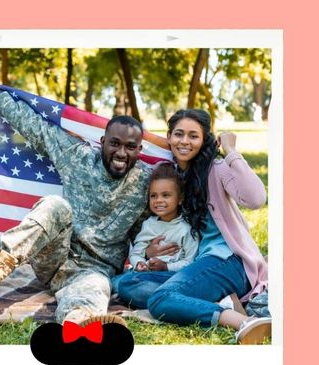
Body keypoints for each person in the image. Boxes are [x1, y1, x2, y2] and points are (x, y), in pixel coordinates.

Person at [0, 75, 176, 325]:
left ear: (140, 151)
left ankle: (79, 321)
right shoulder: (78, 157)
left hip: (95, 269)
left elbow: (147, 229)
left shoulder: (147, 184)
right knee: (55, 205)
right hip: (53, 256)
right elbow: (36, 127)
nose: (121, 153)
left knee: (93, 290)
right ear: (102, 143)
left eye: (130, 147)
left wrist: (147, 252)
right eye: (114, 144)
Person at [114, 109, 271, 344]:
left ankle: (242, 321)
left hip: (227, 261)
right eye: (179, 134)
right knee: (126, 284)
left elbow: (256, 199)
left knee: (160, 300)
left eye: (193, 136)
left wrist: (231, 151)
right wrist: (148, 253)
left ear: (204, 139)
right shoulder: (170, 175)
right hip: (193, 263)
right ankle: (221, 301)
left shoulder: (215, 169)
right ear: (169, 137)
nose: (185, 141)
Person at [127, 162, 197, 273]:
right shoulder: (149, 225)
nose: (158, 200)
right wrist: (140, 264)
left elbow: (190, 261)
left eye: (166, 195)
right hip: (146, 274)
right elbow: (136, 253)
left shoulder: (186, 229)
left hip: (171, 276)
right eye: (153, 196)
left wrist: (166, 267)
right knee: (123, 282)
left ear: (180, 199)